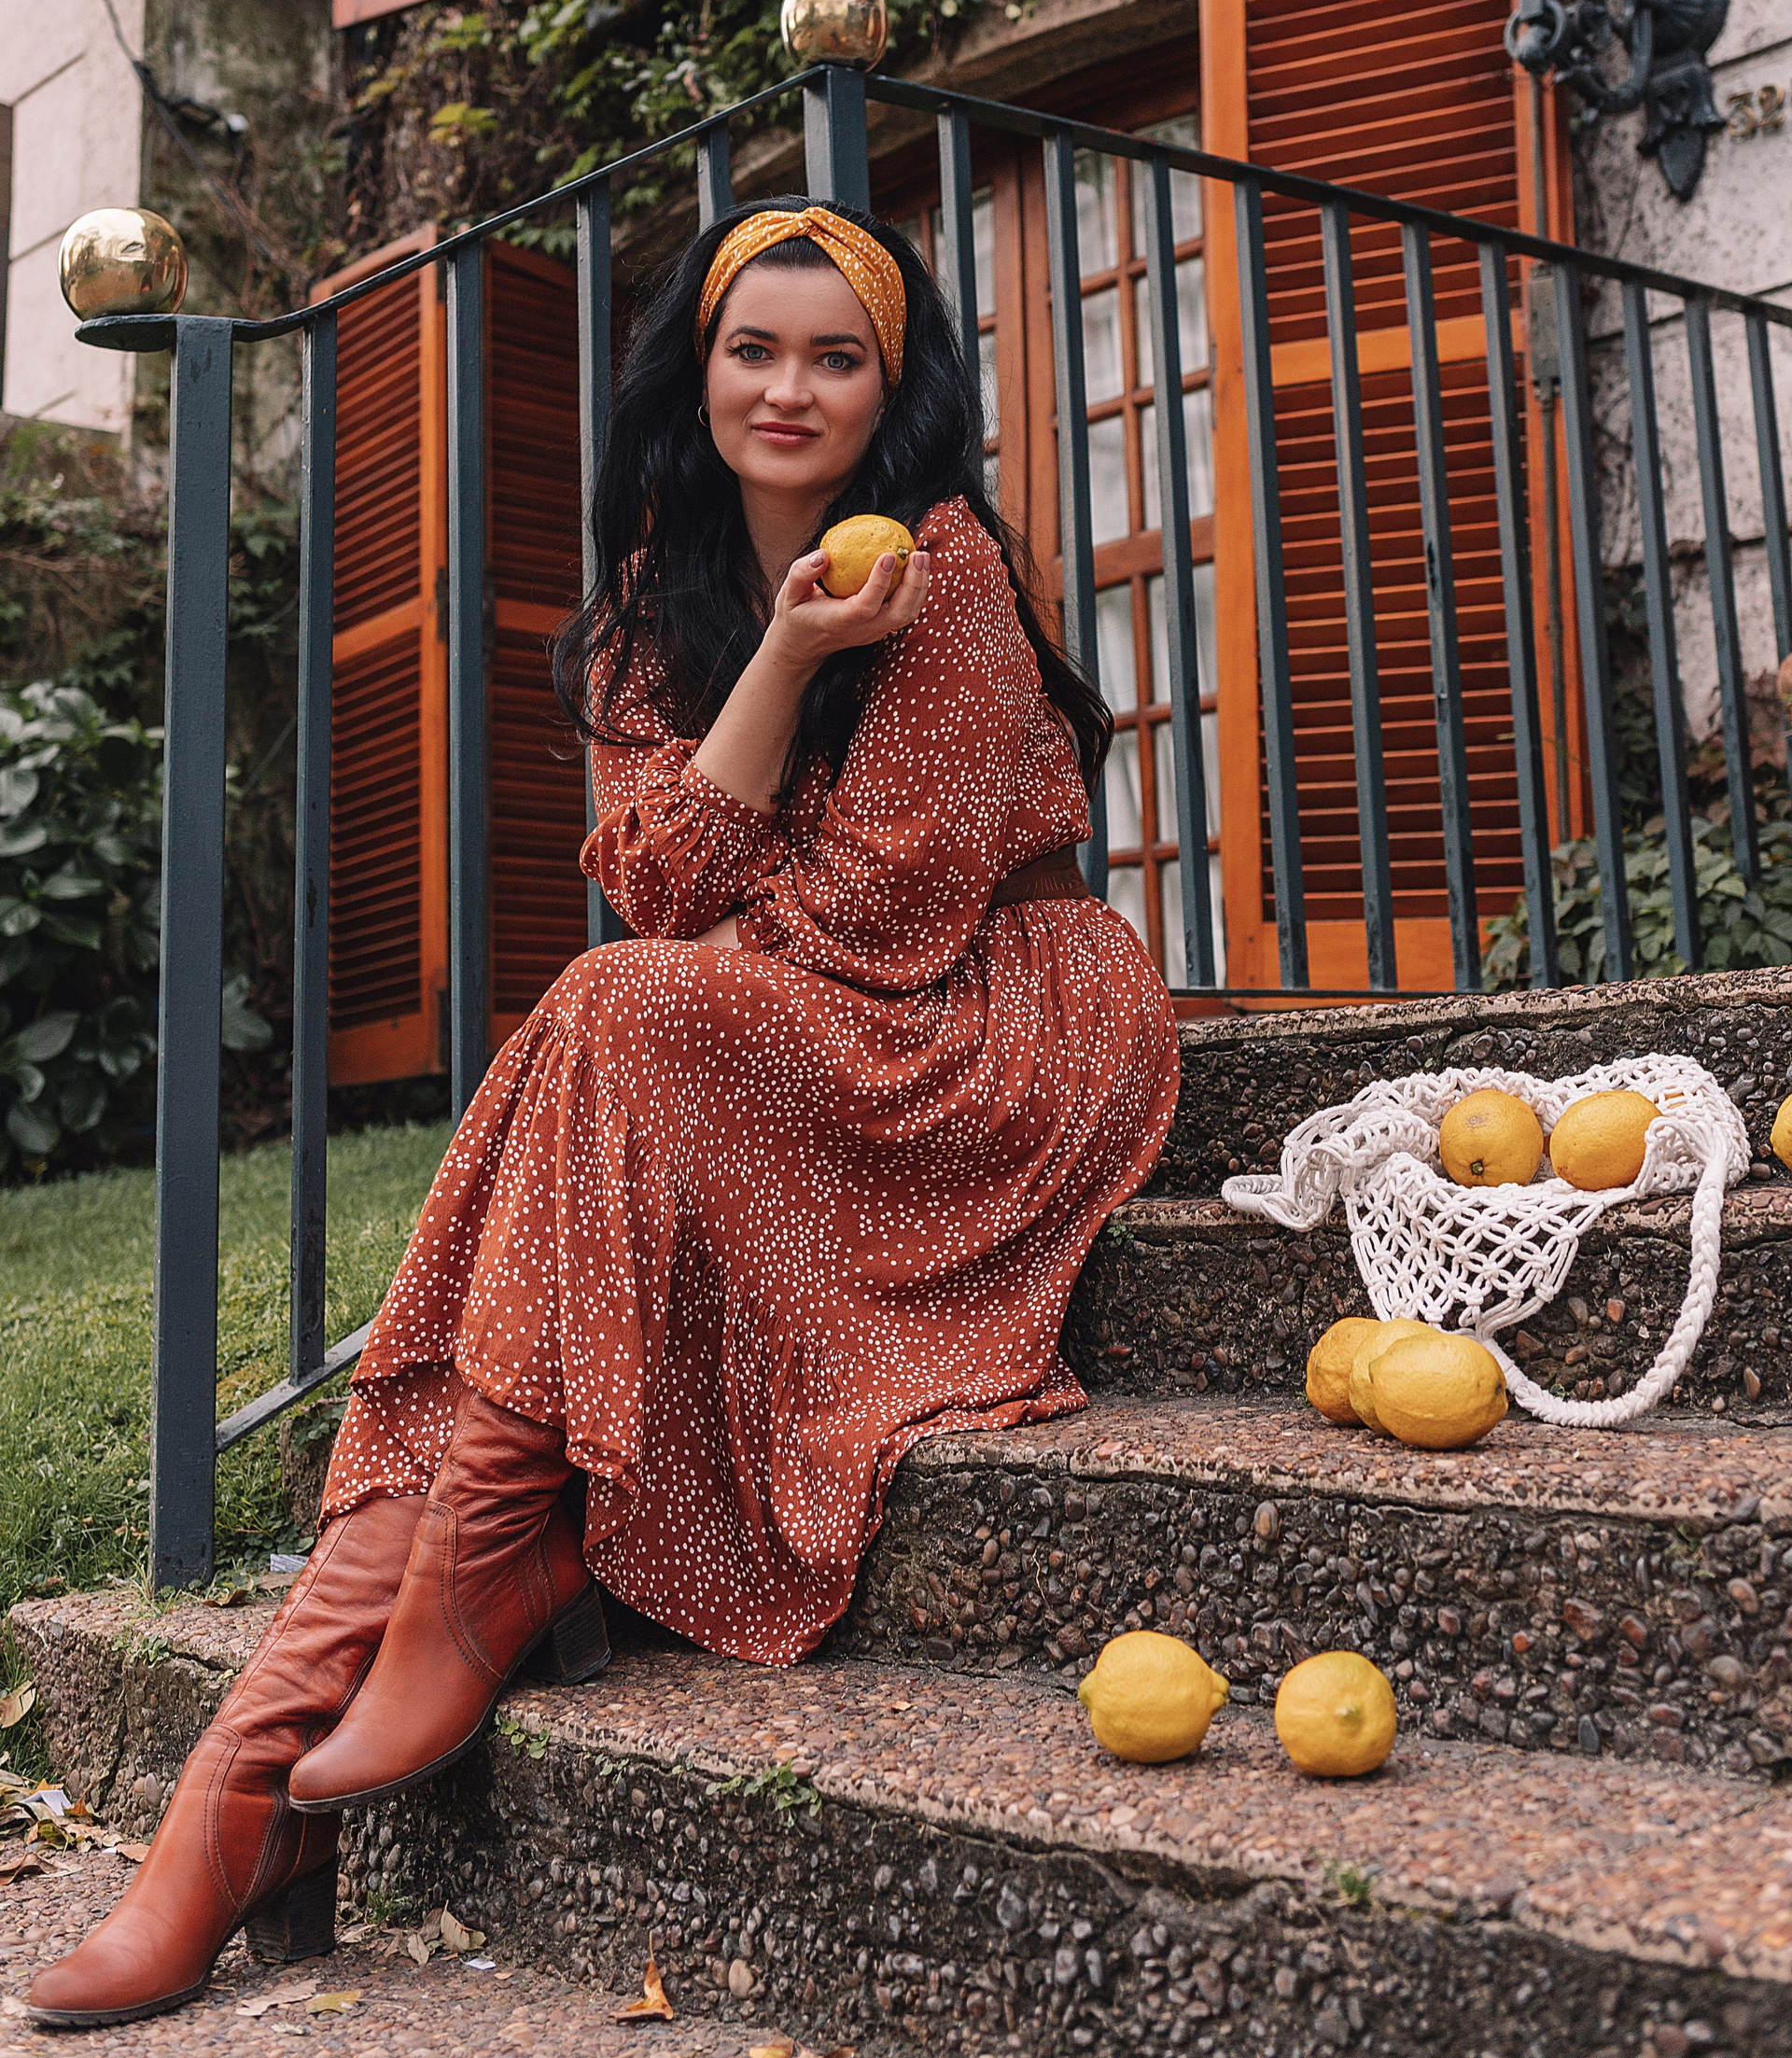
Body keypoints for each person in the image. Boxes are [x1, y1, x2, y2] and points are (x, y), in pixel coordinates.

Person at [30, 196, 1180, 2029]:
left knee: (610, 1013)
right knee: (618, 1014)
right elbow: (657, 884)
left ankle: (302, 1750)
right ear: (696, 372)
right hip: (772, 1033)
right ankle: (273, 1757)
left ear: (890, 394)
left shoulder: (946, 568)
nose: (788, 388)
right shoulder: (658, 606)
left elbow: (882, 919)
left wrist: (709, 919)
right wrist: (782, 660)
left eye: (836, 358)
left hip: (993, 1033)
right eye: (752, 349)